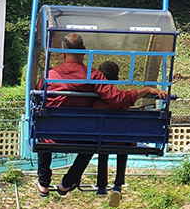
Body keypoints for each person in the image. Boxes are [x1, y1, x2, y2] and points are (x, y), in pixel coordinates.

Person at [36, 34, 167, 198]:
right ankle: (68, 182)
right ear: (84, 52)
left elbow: (37, 99)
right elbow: (118, 99)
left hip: (51, 135)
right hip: (81, 136)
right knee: (92, 142)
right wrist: (146, 90)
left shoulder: (49, 76)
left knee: (42, 131)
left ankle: (43, 182)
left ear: (63, 52)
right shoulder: (93, 75)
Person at [91, 61, 146, 207]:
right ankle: (118, 185)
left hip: (100, 139)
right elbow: (124, 106)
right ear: (116, 78)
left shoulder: (95, 99)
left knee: (103, 150)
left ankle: (102, 186)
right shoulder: (119, 97)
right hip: (120, 140)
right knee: (123, 148)